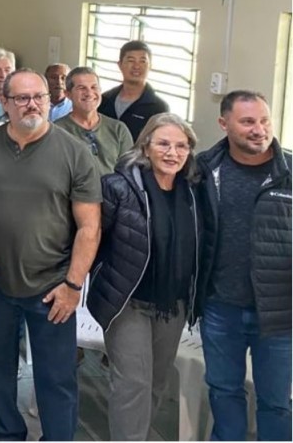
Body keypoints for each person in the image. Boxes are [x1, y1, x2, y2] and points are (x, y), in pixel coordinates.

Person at [0, 68, 101, 441]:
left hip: (52, 287)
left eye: (39, 97)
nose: (32, 104)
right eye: (22, 98)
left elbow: (90, 228)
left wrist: (73, 286)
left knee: (56, 376)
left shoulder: (74, 152)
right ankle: (6, 432)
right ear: (4, 103)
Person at [87, 114, 200, 440]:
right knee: (132, 383)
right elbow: (93, 238)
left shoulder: (195, 192)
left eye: (181, 146)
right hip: (127, 300)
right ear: (145, 147)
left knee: (156, 381)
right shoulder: (118, 186)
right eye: (163, 144)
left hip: (172, 304)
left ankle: (138, 434)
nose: (172, 153)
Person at [194, 90, 292, 441]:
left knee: (276, 403)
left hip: (279, 314)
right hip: (220, 308)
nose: (259, 129)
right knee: (224, 392)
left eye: (264, 120)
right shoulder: (204, 170)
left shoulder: (289, 171)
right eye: (248, 121)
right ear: (224, 124)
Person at [55, 67, 133, 176]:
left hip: (113, 187)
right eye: (81, 88)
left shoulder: (118, 129)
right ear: (68, 94)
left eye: (94, 87)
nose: (89, 93)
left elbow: (129, 173)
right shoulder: (56, 131)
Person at [98, 41, 169, 140]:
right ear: (120, 64)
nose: (136, 66)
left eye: (142, 61)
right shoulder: (104, 99)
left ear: (150, 66)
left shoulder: (159, 108)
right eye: (131, 61)